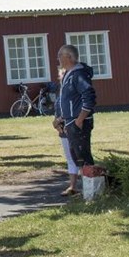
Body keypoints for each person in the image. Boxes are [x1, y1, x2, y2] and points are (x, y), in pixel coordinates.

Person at [55, 44, 97, 176]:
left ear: (68, 57)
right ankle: (87, 189)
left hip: (78, 122)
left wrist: (79, 120)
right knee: (77, 158)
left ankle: (93, 190)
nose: (58, 59)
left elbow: (89, 97)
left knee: (83, 157)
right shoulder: (68, 74)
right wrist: (61, 118)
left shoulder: (78, 74)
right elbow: (68, 100)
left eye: (60, 56)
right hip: (70, 120)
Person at [53, 67, 79, 196]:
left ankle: (89, 185)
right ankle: (72, 186)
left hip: (74, 128)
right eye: (61, 74)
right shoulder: (60, 91)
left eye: (65, 73)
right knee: (70, 158)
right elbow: (57, 111)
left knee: (79, 157)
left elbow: (76, 109)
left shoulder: (75, 89)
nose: (63, 76)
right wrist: (56, 124)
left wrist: (63, 120)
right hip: (63, 130)